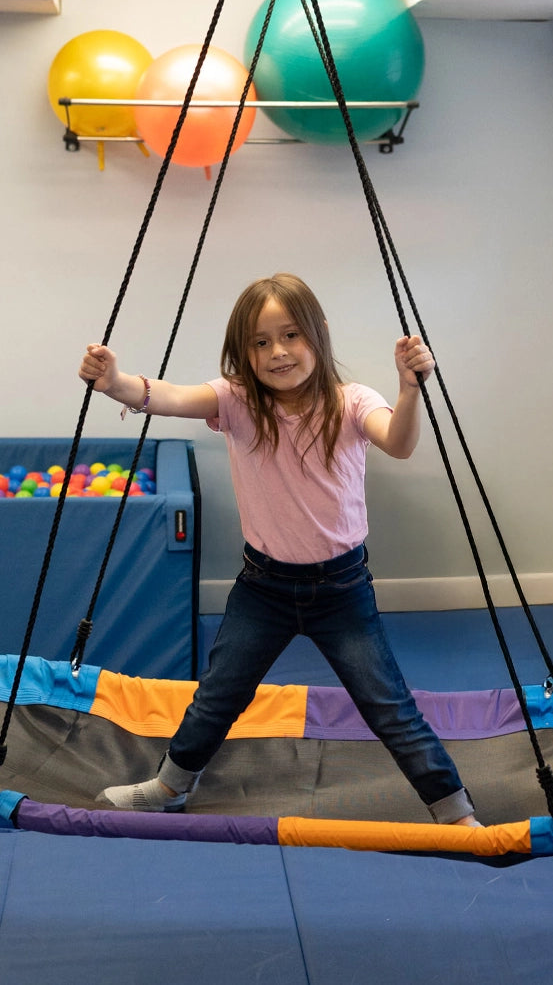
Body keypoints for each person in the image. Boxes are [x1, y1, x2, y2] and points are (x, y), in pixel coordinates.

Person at [78, 273, 480, 827]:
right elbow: (165, 397)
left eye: (290, 335)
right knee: (219, 694)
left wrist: (410, 389)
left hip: (341, 589)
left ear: (318, 333)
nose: (278, 352)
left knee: (388, 706)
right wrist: (115, 380)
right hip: (263, 587)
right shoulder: (237, 401)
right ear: (244, 354)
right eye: (261, 342)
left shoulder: (351, 401)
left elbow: (400, 443)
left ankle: (453, 810)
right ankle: (171, 786)